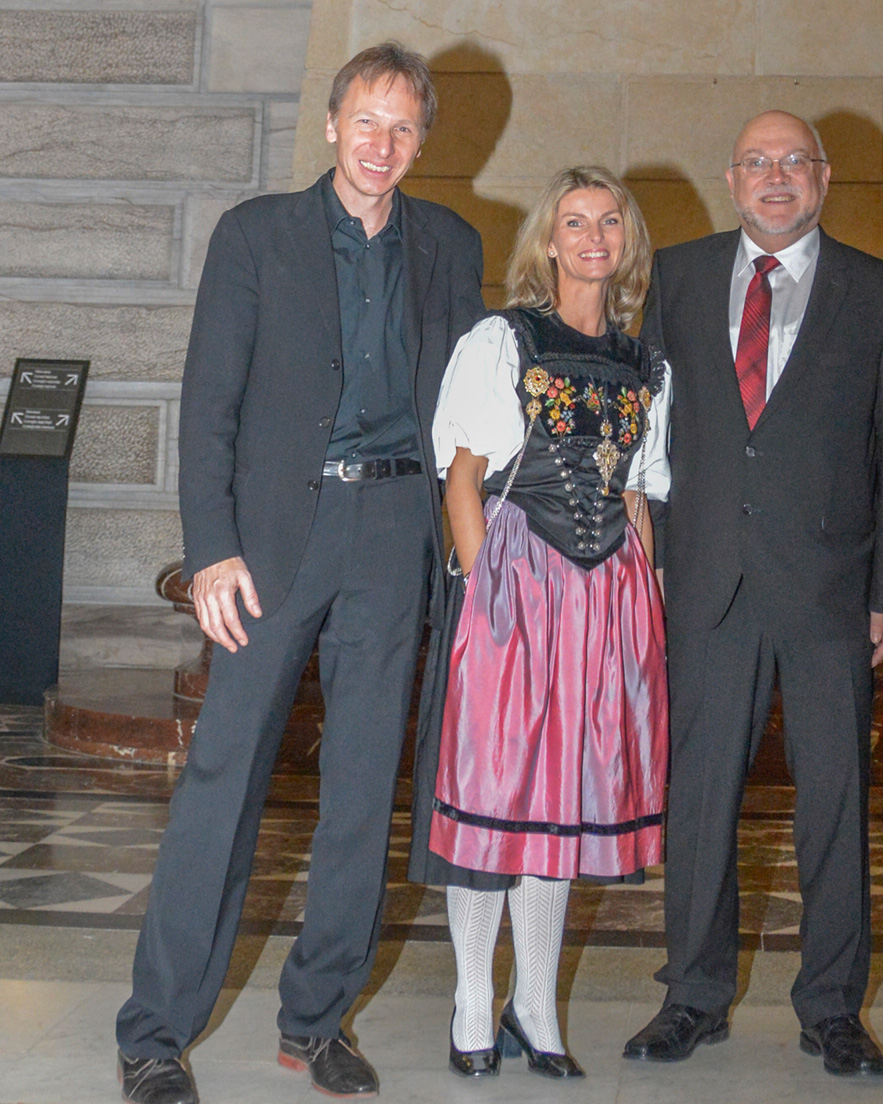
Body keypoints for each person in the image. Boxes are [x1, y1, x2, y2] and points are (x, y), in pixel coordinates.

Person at [113, 43, 484, 1104]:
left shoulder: (452, 243)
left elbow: (469, 411)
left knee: (364, 790)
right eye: (367, 122)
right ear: (331, 124)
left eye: (404, 128)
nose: (383, 146)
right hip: (274, 541)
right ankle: (154, 1032)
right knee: (223, 782)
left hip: (394, 534)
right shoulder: (255, 236)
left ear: (423, 139)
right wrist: (211, 548)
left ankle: (317, 1021)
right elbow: (209, 404)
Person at [621, 110, 883, 1077]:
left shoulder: (881, 291)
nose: (776, 176)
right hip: (705, 582)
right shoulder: (673, 277)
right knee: (700, 800)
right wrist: (658, 551)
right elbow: (650, 435)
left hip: (833, 593)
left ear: (824, 177)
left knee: (834, 802)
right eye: (757, 161)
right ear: (731, 176)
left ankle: (832, 1007)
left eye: (793, 161)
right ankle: (694, 995)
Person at [405, 166, 669, 1082]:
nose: (593, 237)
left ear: (626, 243)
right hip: (519, 580)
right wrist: (487, 595)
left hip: (609, 595)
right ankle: (475, 999)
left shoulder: (646, 362)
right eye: (575, 222)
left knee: (565, 798)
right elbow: (463, 478)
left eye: (609, 223)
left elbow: (635, 491)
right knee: (500, 792)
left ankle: (535, 1004)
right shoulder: (503, 339)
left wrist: (650, 610)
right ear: (549, 242)